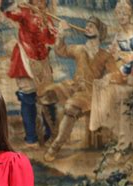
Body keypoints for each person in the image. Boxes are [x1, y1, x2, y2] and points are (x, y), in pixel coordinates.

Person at [43, 16, 121, 162]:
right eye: (87, 25)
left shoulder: (105, 55)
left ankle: (55, 147)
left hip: (91, 93)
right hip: (73, 87)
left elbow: (116, 73)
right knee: (47, 95)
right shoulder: (79, 49)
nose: (87, 28)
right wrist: (61, 33)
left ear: (100, 32)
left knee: (71, 107)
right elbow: (61, 51)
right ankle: (53, 133)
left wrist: (107, 78)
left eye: (91, 26)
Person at [1, 0, 57, 148]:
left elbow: (51, 40)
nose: (41, 2)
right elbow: (9, 12)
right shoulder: (24, 12)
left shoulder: (47, 17)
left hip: (42, 62)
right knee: (28, 98)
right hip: (26, 59)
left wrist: (56, 31)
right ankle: (31, 138)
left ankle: (51, 135)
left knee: (48, 98)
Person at [90, 0, 133, 162]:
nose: (122, 16)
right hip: (120, 73)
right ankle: (117, 135)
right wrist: (111, 53)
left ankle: (124, 145)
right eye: (119, 14)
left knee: (121, 97)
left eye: (125, 13)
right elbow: (112, 54)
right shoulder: (118, 34)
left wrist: (119, 58)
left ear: (130, 14)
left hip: (132, 76)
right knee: (99, 86)